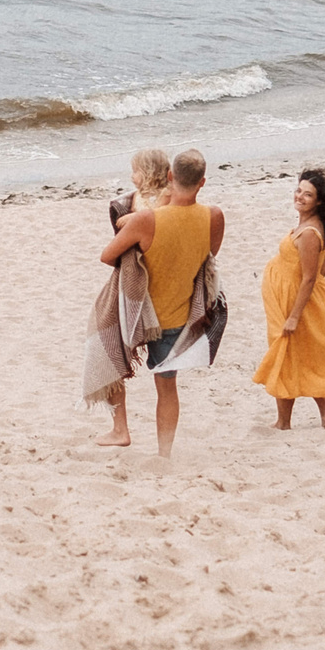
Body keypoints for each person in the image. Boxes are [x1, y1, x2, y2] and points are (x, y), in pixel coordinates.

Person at [98, 147, 224, 458]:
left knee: (110, 355)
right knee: (167, 387)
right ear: (202, 182)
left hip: (140, 313)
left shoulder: (146, 219)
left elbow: (107, 256)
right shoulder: (214, 216)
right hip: (179, 317)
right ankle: (164, 453)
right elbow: (210, 255)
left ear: (170, 176)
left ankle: (120, 429)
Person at [90, 148, 172, 448]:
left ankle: (120, 429)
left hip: (139, 282)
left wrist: (131, 222)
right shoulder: (166, 199)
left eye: (135, 170)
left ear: (148, 172)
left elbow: (111, 252)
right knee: (165, 377)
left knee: (108, 341)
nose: (131, 176)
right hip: (156, 283)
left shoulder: (159, 201)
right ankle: (153, 443)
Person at [253, 168, 325, 431]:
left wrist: (294, 315)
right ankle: (324, 410)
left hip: (293, 303)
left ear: (319, 201)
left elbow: (309, 277)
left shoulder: (308, 233)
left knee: (284, 356)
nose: (300, 197)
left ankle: (283, 422)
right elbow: (323, 268)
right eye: (298, 190)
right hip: (294, 300)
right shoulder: (312, 226)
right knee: (298, 355)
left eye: (308, 194)